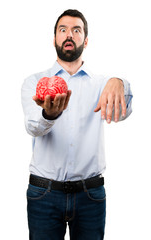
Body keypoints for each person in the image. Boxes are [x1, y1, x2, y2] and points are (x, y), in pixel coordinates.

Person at [21, 9, 132, 240]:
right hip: (44, 195)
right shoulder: (34, 82)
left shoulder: (101, 84)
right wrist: (49, 115)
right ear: (54, 39)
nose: (69, 35)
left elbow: (124, 111)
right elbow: (33, 126)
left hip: (90, 196)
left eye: (76, 30)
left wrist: (120, 82)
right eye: (63, 30)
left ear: (86, 40)